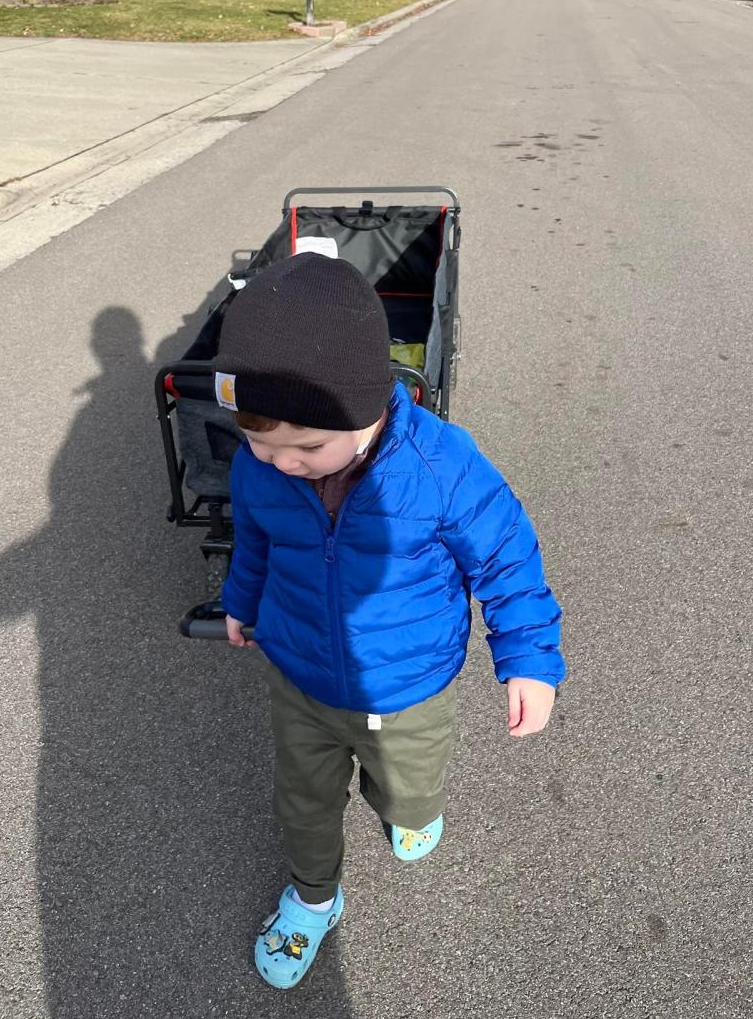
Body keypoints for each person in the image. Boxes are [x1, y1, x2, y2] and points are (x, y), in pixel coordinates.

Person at [212, 252, 566, 990]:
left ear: (370, 406)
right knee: (301, 800)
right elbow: (256, 541)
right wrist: (241, 603)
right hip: (302, 673)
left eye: (305, 447)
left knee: (406, 787)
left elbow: (505, 557)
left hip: (408, 688)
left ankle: (401, 804)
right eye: (259, 442)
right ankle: (313, 897)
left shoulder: (440, 465)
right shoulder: (263, 468)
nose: (279, 463)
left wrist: (528, 656)